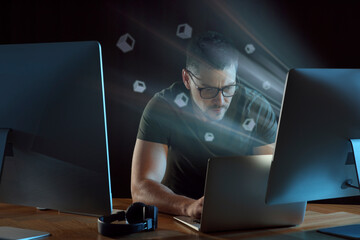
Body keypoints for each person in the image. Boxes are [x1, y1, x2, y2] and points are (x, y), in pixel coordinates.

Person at [131, 31, 277, 219]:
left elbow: (271, 182)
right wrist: (188, 207)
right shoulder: (163, 108)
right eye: (208, 89)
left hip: (239, 215)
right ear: (187, 79)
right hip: (177, 214)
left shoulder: (256, 109)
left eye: (228, 88)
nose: (220, 100)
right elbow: (141, 187)